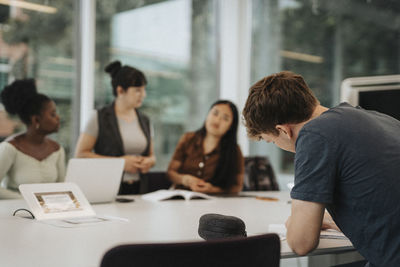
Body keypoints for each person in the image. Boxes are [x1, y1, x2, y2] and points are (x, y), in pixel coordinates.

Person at [242, 71, 400, 266]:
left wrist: (295, 224)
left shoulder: (314, 135)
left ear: (283, 130)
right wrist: (331, 221)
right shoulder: (378, 118)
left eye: (272, 141)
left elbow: (301, 243)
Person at [75, 61, 155, 195]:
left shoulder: (145, 120)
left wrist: (149, 162)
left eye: (144, 89)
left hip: (140, 190)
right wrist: (119, 163)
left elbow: (152, 156)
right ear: (120, 90)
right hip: (108, 190)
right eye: (137, 90)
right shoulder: (98, 117)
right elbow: (81, 155)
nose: (143, 95)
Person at [0, 79, 65, 199]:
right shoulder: (9, 148)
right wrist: (27, 199)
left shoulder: (57, 149)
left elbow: (63, 188)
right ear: (36, 120)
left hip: (49, 212)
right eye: (52, 114)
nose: (58, 118)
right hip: (16, 212)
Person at [167, 100, 244, 194]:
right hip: (180, 198)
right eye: (215, 113)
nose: (217, 120)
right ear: (207, 114)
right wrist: (184, 179)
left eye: (225, 118)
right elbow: (170, 173)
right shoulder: (188, 139)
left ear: (230, 126)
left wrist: (213, 190)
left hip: (214, 203)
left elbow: (237, 187)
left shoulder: (234, 151)